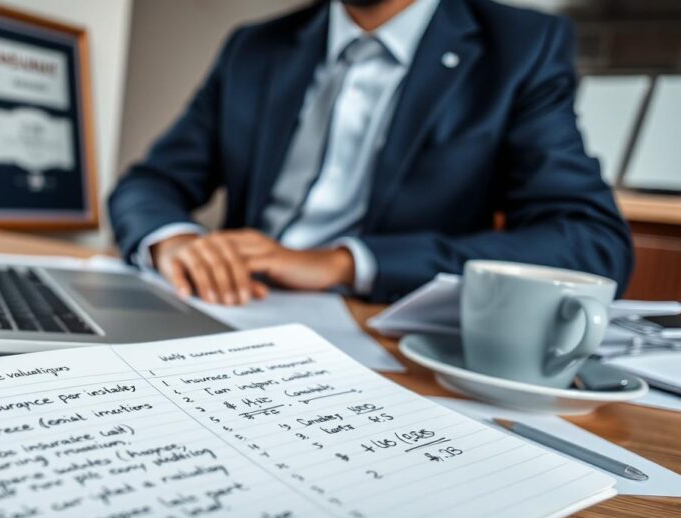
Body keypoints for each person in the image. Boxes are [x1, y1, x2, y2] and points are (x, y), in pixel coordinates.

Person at [107, 0, 634, 306]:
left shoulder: (520, 48)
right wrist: (172, 241)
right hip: (229, 301)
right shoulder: (255, 47)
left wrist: (346, 263)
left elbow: (591, 244)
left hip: (375, 323)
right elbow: (149, 183)